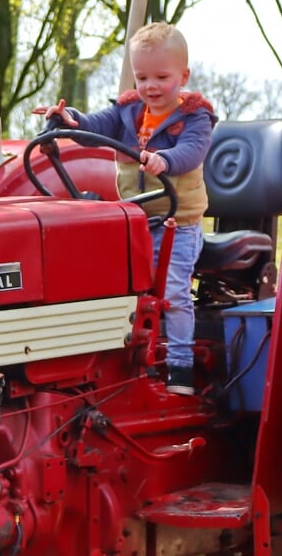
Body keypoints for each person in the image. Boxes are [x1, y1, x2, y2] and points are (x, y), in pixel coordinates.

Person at [34, 22, 214, 395]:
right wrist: (71, 120)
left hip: (177, 223)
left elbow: (191, 151)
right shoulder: (129, 110)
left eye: (162, 77)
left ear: (183, 75)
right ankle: (127, 364)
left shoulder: (194, 116)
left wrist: (166, 160)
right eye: (142, 76)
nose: (151, 86)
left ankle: (180, 367)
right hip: (136, 219)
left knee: (174, 291)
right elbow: (95, 123)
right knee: (120, 289)